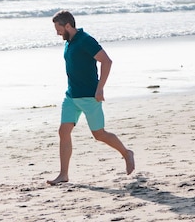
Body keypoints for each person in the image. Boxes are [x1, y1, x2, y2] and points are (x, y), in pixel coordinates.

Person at [48, 10, 135, 185]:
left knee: (99, 134)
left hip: (89, 96)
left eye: (58, 29)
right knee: (63, 131)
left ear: (67, 26)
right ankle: (63, 174)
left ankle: (127, 153)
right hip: (71, 96)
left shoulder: (86, 40)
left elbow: (107, 61)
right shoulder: (69, 42)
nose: (57, 32)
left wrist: (100, 88)